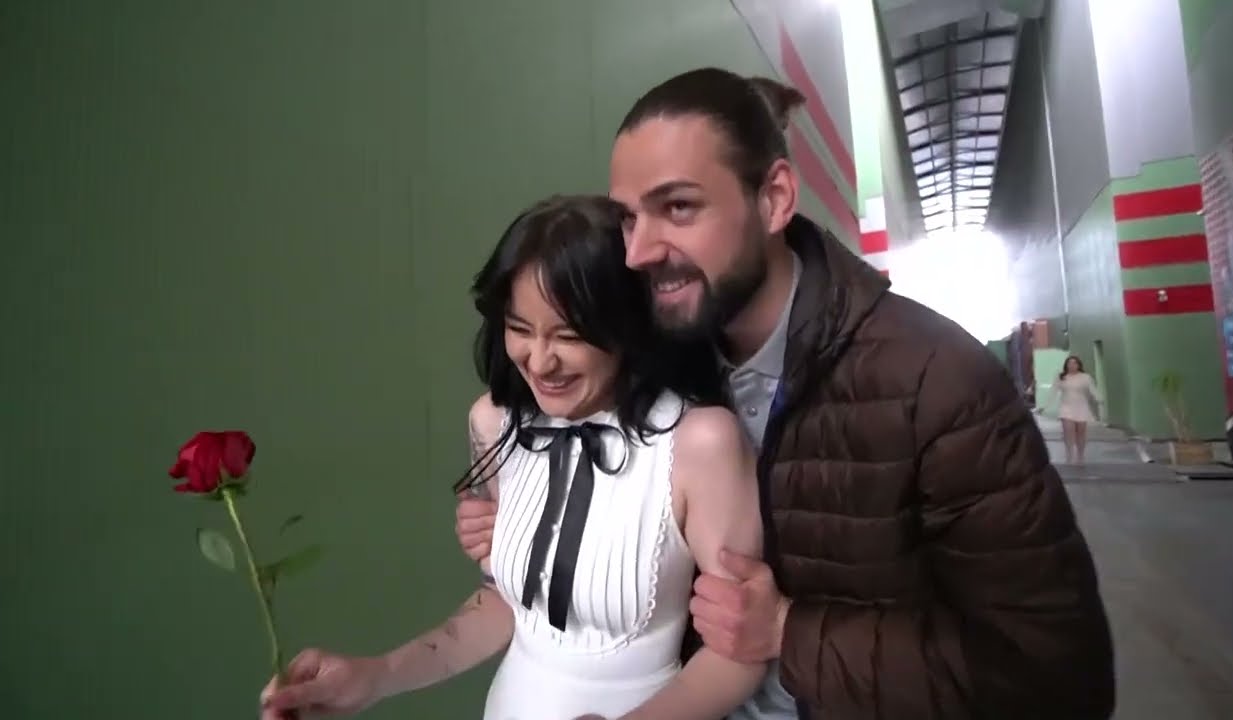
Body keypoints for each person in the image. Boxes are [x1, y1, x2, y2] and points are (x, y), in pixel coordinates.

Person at [457, 68, 1116, 720]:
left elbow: (1055, 675)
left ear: (774, 198)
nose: (638, 252)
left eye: (678, 207)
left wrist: (787, 631)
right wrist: (514, 518)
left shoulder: (937, 381)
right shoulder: (659, 362)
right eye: (629, 218)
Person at [259, 194, 770, 720]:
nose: (539, 361)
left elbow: (740, 651)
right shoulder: (493, 422)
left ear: (627, 329)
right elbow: (505, 606)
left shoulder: (700, 442)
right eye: (520, 329)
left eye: (568, 336)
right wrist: (375, 676)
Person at [1050, 355, 1102, 464]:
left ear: (1079, 365)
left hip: (1081, 407)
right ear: (1066, 365)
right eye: (1069, 363)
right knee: (1068, 432)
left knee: (1081, 432)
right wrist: (1045, 406)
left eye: (1074, 363)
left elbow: (1093, 390)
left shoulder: (1085, 377)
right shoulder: (1061, 377)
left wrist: (1099, 399)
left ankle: (1080, 455)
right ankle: (1069, 455)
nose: (1072, 365)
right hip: (1066, 407)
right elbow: (1053, 391)